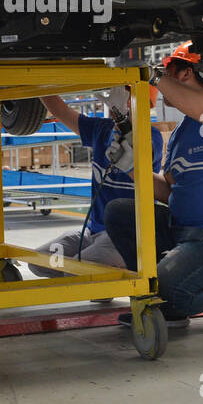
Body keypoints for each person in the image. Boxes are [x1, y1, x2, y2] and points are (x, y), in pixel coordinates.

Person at [103, 44, 203, 335]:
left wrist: (151, 76)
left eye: (168, 72)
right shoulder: (180, 133)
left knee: (166, 285)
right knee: (119, 212)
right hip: (184, 235)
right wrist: (130, 167)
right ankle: (169, 306)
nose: (163, 82)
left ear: (187, 72)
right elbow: (171, 191)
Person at [29, 86, 164, 278]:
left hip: (126, 236)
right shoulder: (101, 129)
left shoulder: (151, 135)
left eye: (124, 96)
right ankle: (101, 278)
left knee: (77, 271)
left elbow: (140, 150)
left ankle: (108, 277)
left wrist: (122, 118)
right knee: (40, 262)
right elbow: (62, 111)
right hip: (92, 232)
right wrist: (37, 81)